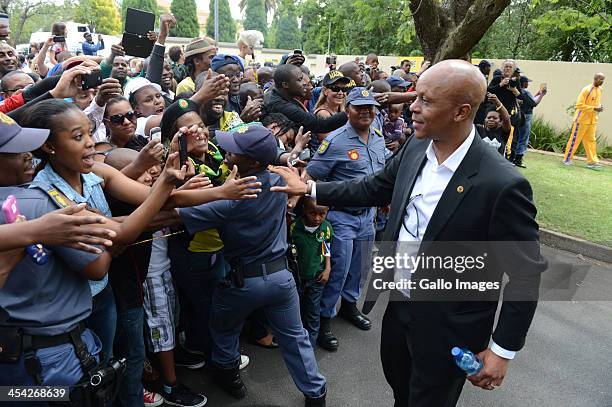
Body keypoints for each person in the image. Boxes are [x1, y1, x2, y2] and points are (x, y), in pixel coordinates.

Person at [271, 59, 547, 407]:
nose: (412, 107)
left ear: (461, 111)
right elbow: (375, 187)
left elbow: (525, 276)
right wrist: (311, 189)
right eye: (415, 96)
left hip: (451, 328)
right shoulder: (416, 147)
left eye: (426, 101)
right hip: (399, 310)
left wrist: (502, 349)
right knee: (402, 391)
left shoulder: (503, 184)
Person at [176, 124, 327, 407]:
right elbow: (288, 167)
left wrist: (214, 190)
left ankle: (228, 375)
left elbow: (177, 213)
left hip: (241, 283)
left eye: (235, 150)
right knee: (296, 338)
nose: (227, 152)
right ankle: (315, 393)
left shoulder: (232, 197)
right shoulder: (279, 179)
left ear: (253, 161)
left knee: (223, 328)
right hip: (281, 278)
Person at [303, 87, 386, 352]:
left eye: (370, 107)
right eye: (359, 107)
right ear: (347, 110)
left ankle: (349, 307)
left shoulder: (377, 137)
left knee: (360, 268)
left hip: (368, 217)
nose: (365, 111)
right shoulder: (335, 141)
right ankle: (324, 320)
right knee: (336, 271)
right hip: (341, 218)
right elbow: (311, 175)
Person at [290, 196, 333, 348]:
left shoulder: (326, 228)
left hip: (317, 277)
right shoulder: (294, 228)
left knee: (313, 312)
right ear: (304, 211)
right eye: (312, 213)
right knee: (296, 309)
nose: (317, 218)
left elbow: (326, 246)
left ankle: (311, 345)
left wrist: (327, 268)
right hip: (297, 278)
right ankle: (296, 342)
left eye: (322, 214)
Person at [264, 64, 347, 135]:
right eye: (299, 80)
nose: (304, 83)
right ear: (285, 85)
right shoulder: (281, 105)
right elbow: (321, 124)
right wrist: (349, 113)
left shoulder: (280, 96)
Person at [563, 72, 605, 170]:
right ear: (596, 79)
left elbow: (596, 103)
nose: (603, 82)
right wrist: (594, 108)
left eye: (603, 80)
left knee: (591, 141)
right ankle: (567, 159)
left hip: (592, 120)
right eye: (601, 79)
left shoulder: (600, 90)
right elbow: (579, 105)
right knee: (575, 139)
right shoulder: (586, 90)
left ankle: (592, 162)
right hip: (581, 120)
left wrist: (599, 107)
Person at [511, 76, 546, 168]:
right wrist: (542, 95)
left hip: (518, 115)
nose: (528, 84)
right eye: (527, 82)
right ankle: (518, 160)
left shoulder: (517, 91)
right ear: (523, 83)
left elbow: (529, 100)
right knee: (523, 138)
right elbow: (534, 103)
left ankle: (512, 157)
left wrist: (538, 93)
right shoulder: (525, 92)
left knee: (516, 136)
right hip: (526, 116)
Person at [312, 70, 350, 150]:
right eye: (335, 88)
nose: (340, 93)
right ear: (325, 91)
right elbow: (330, 143)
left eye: (344, 89)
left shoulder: (341, 110)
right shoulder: (322, 113)